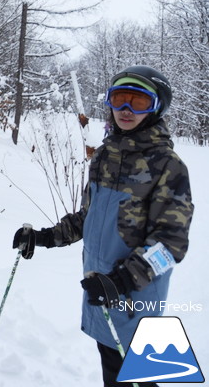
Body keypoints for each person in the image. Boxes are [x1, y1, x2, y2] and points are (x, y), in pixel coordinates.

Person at [12, 66, 194, 387]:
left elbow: (171, 244)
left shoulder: (168, 166)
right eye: (119, 99)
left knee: (141, 379)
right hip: (101, 292)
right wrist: (42, 238)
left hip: (137, 298)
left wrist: (123, 280)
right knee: (112, 371)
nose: (125, 109)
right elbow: (88, 217)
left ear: (156, 108)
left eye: (138, 102)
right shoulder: (105, 157)